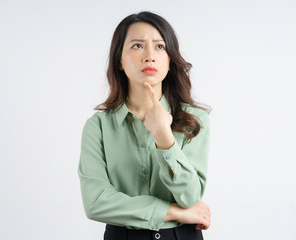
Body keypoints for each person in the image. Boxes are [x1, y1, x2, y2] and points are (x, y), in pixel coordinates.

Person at [78, 11, 212, 240]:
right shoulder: (98, 126)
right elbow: (96, 202)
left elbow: (190, 196)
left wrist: (164, 138)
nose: (150, 56)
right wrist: (173, 212)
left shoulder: (193, 120)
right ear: (119, 60)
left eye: (160, 47)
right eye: (138, 46)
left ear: (170, 60)